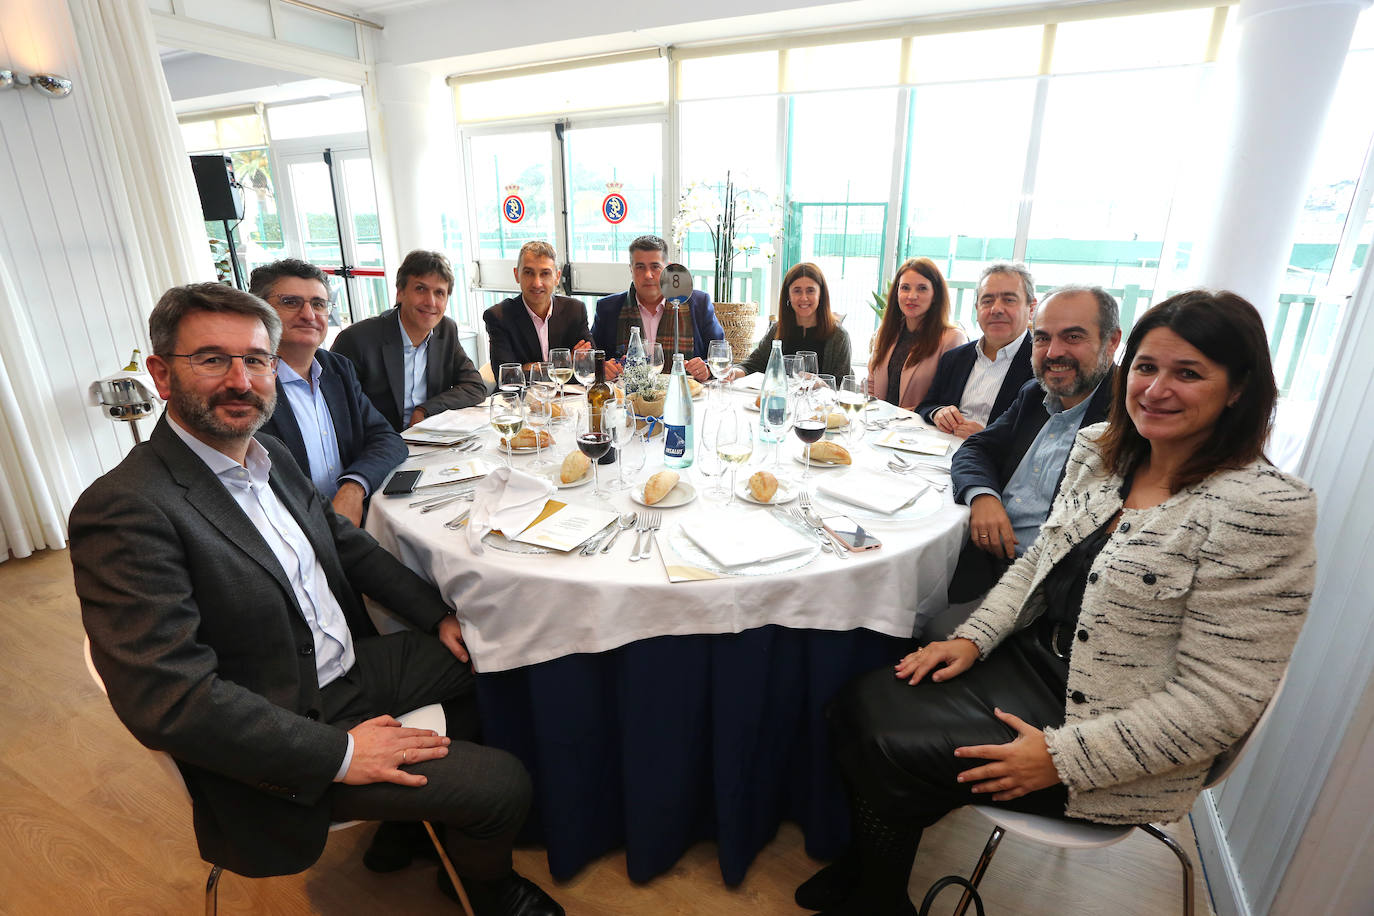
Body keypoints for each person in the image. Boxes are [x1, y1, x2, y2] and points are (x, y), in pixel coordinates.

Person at [798, 290, 1317, 916]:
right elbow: (1040, 562)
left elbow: (1221, 703)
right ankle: (872, 880)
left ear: (1238, 389)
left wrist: (1062, 757)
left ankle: (875, 893)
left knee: (888, 743)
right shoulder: (1105, 451)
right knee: (858, 701)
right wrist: (972, 637)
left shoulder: (1262, 509)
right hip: (1039, 661)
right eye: (1147, 368)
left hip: (1110, 727)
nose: (1156, 390)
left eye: (1188, 373)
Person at [71, 283, 563, 916]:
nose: (240, 380)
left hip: (338, 669)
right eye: (212, 359)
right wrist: (344, 754)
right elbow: (172, 701)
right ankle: (485, 891)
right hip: (282, 724)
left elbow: (344, 543)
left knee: (492, 653)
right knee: (503, 785)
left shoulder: (266, 454)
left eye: (255, 360)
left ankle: (416, 829)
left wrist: (437, 615)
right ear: (162, 375)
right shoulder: (125, 510)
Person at [946, 285, 1122, 603]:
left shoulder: (1129, 416)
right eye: (1042, 338)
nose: (1053, 352)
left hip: (1046, 593)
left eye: (1073, 337)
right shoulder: (1035, 394)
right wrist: (984, 497)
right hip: (982, 562)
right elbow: (976, 448)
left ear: (1111, 342)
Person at [250, 258, 406, 527]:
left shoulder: (337, 369)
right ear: (260, 311)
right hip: (294, 531)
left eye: (318, 304)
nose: (309, 315)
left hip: (356, 522)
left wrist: (354, 486)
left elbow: (386, 438)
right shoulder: (248, 383)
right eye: (291, 302)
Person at [333, 249, 486, 431]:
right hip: (378, 441)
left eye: (439, 293)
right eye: (420, 289)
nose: (431, 302)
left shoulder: (446, 331)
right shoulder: (356, 341)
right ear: (400, 293)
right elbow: (341, 411)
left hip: (428, 438)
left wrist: (425, 410)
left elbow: (474, 386)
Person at [915, 262, 1037, 439]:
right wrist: (939, 413)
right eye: (987, 301)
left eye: (1009, 300)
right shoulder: (954, 358)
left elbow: (1039, 436)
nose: (996, 309)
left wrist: (987, 438)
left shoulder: (1042, 367)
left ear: (1031, 308)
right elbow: (927, 405)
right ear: (977, 308)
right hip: (939, 448)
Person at [591, 234, 724, 382]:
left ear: (668, 269)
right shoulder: (608, 309)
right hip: (627, 394)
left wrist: (707, 368)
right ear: (631, 269)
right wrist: (602, 369)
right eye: (640, 267)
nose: (648, 275)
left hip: (687, 393)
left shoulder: (698, 304)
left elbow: (720, 355)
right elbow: (592, 360)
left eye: (655, 267)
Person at [865, 257, 967, 409]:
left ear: (935, 295)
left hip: (921, 423)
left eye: (922, 288)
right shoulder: (885, 333)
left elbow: (947, 401)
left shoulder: (952, 339)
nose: (912, 296)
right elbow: (871, 386)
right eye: (905, 288)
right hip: (879, 420)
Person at [725, 262, 853, 382]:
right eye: (797, 291)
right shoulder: (777, 329)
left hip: (820, 399)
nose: (804, 297)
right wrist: (733, 372)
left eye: (810, 290)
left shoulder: (839, 336)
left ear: (821, 295)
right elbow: (753, 364)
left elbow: (842, 386)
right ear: (788, 295)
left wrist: (821, 384)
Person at [482, 240, 592, 372]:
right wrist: (566, 361)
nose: (537, 283)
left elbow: (589, 365)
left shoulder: (575, 310)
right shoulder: (499, 316)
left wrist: (528, 367)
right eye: (528, 273)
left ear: (557, 277)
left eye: (545, 273)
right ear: (516, 275)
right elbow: (507, 375)